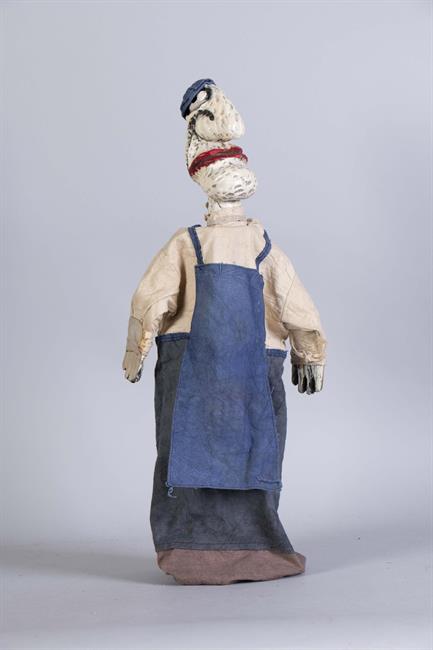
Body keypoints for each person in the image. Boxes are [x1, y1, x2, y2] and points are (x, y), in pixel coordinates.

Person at [122, 79, 327, 585]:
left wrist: (136, 351)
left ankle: (195, 547)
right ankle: (251, 546)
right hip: (250, 368)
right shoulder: (259, 246)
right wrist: (310, 352)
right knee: (254, 446)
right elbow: (295, 305)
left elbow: (150, 300)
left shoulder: (192, 243)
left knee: (189, 450)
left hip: (192, 370)